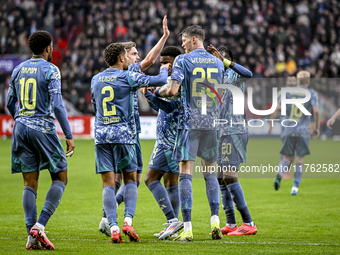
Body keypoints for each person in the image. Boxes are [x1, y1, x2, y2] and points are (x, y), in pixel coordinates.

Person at [99, 15, 170, 236]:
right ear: (124, 56)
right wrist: (165, 45)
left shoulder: (98, 78)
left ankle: (108, 219)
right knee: (130, 179)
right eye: (133, 54)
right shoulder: (129, 73)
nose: (138, 57)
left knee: (124, 180)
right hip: (126, 134)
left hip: (110, 134)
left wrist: (164, 36)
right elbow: (150, 62)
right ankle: (121, 219)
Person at [6, 30, 75, 250]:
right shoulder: (51, 70)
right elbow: (57, 105)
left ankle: (31, 239)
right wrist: (69, 135)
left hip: (20, 127)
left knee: (29, 183)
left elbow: (9, 102)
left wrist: (19, 118)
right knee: (60, 177)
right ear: (48, 48)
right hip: (42, 128)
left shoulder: (17, 70)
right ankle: (40, 225)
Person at [155, 25, 225, 241]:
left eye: (184, 40)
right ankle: (215, 222)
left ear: (194, 39)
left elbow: (173, 90)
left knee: (185, 174)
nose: (182, 45)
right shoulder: (217, 61)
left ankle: (187, 228)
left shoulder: (183, 61)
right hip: (212, 123)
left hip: (190, 123)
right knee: (210, 174)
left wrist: (158, 92)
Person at [207, 44, 257, 236]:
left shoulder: (233, 76)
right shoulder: (213, 80)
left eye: (218, 57)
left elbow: (249, 74)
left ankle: (248, 222)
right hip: (220, 133)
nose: (215, 60)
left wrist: (226, 62)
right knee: (220, 179)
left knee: (229, 176)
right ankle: (231, 223)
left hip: (234, 131)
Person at [140, 46, 183, 240]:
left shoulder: (179, 82)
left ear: (177, 62)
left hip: (169, 140)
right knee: (170, 182)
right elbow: (161, 105)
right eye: (162, 61)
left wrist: (150, 96)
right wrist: (151, 96)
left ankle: (172, 221)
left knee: (150, 179)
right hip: (171, 138)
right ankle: (172, 225)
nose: (164, 65)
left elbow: (170, 106)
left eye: (168, 61)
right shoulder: (170, 81)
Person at [272, 71, 320, 195]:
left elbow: (276, 107)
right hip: (303, 130)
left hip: (288, 128)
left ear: (297, 81)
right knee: (299, 158)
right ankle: (295, 188)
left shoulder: (287, 92)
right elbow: (316, 111)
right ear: (308, 81)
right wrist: (316, 127)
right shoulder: (311, 93)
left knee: (287, 157)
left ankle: (280, 172)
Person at [269, 76, 297, 179]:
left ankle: (285, 169)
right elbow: (276, 108)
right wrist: (271, 124)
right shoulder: (283, 93)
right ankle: (284, 171)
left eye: (293, 80)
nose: (292, 82)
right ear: (287, 82)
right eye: (290, 80)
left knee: (291, 149)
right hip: (286, 125)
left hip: (298, 126)